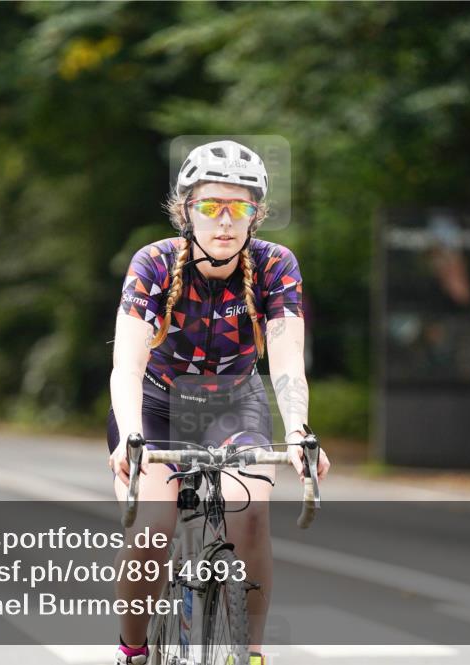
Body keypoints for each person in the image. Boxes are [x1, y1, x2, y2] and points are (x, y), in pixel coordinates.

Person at [107, 140, 331, 665]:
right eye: (211, 206)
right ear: (187, 210)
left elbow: (286, 359)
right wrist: (132, 436)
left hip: (232, 403)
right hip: (155, 404)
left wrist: (299, 432)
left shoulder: (276, 265)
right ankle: (133, 651)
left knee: (250, 514)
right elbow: (128, 365)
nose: (225, 222)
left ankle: (250, 653)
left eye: (241, 208)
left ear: (258, 215)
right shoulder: (155, 264)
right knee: (154, 528)